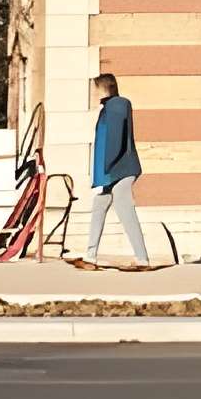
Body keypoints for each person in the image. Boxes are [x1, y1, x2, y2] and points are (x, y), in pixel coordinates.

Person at [82, 70, 149, 267]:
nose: (92, 93)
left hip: (121, 169)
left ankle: (142, 258)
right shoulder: (108, 108)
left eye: (95, 88)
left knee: (124, 209)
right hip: (112, 171)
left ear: (104, 88)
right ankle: (90, 255)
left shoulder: (118, 104)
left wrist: (108, 167)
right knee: (99, 205)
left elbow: (115, 138)